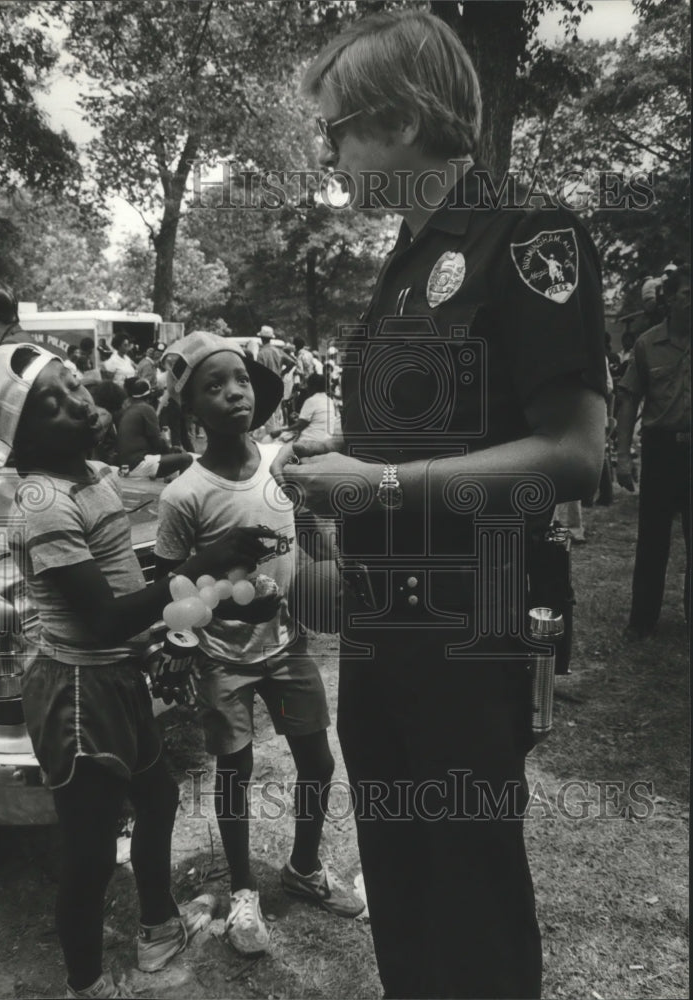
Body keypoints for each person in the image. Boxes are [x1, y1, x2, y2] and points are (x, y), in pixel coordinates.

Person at [273, 12, 607, 999]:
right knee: (402, 886)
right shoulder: (402, 260)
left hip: (475, 628)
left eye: (335, 129)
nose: (326, 151)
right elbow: (438, 430)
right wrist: (347, 444)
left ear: (403, 119)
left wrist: (372, 482)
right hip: (385, 625)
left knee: (469, 904)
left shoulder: (528, 233)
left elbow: (573, 454)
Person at [0, 342, 279, 999]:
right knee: (86, 854)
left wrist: (161, 644)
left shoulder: (89, 475)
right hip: (79, 695)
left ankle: (158, 929)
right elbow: (103, 617)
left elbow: (124, 585)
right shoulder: (43, 500)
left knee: (159, 796)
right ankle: (85, 984)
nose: (81, 400)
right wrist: (205, 562)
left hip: (114, 676)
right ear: (20, 434)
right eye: (54, 403)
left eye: (73, 385)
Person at [154, 331, 364, 957]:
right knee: (235, 772)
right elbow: (175, 584)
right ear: (191, 409)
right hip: (225, 657)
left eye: (239, 380)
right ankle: (244, 888)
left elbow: (313, 532)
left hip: (288, 645)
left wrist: (341, 569)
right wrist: (183, 640)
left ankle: (303, 869)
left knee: (319, 764)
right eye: (213, 388)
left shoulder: (282, 464)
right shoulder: (183, 495)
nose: (232, 394)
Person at [615, 264, 690, 639]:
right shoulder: (646, 343)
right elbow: (628, 401)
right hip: (661, 452)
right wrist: (624, 455)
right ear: (671, 299)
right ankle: (642, 621)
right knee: (653, 540)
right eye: (686, 294)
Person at [117, 377, 193, 479]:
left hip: (125, 464)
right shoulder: (146, 408)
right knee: (187, 459)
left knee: (174, 458)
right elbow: (157, 442)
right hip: (137, 464)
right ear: (149, 397)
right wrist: (170, 452)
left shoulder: (128, 408)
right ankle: (182, 493)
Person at [270, 372, 341, 445]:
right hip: (326, 439)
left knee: (278, 445)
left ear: (313, 387)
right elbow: (318, 419)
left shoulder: (311, 401)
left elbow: (300, 425)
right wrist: (300, 416)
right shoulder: (329, 401)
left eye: (308, 385)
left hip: (310, 441)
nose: (307, 388)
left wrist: (281, 431)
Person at [256, 325, 288, 435]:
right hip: (278, 384)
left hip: (267, 385)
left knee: (268, 413)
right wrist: (282, 373)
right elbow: (293, 362)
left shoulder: (261, 353)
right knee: (277, 412)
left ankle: (271, 436)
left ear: (262, 338)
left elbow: (259, 372)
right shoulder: (278, 351)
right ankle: (277, 434)